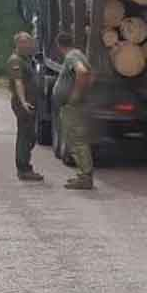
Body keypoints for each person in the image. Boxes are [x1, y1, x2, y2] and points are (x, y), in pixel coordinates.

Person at [52, 32, 95, 190]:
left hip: (73, 107)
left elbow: (83, 72)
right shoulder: (79, 54)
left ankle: (85, 177)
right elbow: (91, 76)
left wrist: (76, 96)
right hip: (75, 106)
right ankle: (83, 174)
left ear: (58, 45)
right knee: (76, 138)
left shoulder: (71, 56)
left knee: (76, 140)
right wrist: (83, 91)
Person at [8, 32, 44, 182]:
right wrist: (23, 102)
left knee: (30, 136)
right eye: (24, 43)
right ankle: (23, 169)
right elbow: (18, 82)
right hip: (24, 104)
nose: (28, 46)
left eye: (29, 43)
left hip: (31, 103)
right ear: (17, 44)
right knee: (25, 136)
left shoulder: (26, 59)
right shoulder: (15, 61)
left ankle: (24, 166)